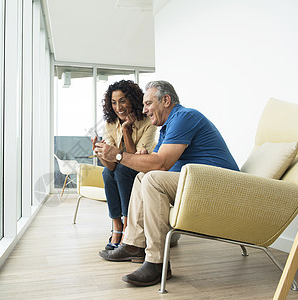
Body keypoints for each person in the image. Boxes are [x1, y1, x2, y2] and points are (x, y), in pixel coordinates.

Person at [93, 80, 239, 287]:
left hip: (219, 183)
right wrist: (143, 158)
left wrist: (118, 156)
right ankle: (133, 244)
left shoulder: (185, 116)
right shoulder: (167, 128)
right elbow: (156, 162)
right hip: (197, 179)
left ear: (166, 100)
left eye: (148, 104)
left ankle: (157, 262)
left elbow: (161, 164)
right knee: (143, 176)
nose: (144, 110)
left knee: (152, 178)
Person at [92, 79, 157, 251]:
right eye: (113, 102)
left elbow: (136, 160)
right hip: (120, 170)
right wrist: (100, 153)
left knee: (122, 170)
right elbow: (111, 166)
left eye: (122, 100)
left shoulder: (147, 123)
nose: (118, 107)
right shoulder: (110, 124)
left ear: (132, 100)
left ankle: (129, 228)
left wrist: (127, 130)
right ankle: (117, 225)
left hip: (141, 171)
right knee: (107, 172)